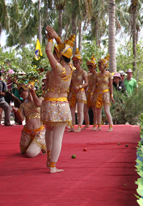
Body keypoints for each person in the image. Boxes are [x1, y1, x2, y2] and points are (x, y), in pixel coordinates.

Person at [41, 26, 74, 173]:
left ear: (60, 56)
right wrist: (56, 37)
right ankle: (53, 166)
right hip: (62, 104)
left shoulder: (56, 69)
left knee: (49, 131)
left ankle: (49, 159)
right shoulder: (71, 69)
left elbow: (48, 51)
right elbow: (61, 50)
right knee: (58, 137)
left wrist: (50, 38)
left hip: (49, 102)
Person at [12, 83, 46, 157]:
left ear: (28, 90)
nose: (20, 95)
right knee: (23, 152)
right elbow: (21, 119)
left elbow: (38, 104)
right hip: (27, 132)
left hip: (38, 132)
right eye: (20, 93)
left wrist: (33, 93)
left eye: (22, 91)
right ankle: (37, 144)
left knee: (30, 154)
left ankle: (42, 142)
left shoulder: (40, 99)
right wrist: (17, 111)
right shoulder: (23, 105)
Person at [91, 55, 114, 132]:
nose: (99, 67)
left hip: (106, 93)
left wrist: (111, 95)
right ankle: (99, 126)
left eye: (100, 65)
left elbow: (111, 85)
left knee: (107, 110)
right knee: (98, 110)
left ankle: (110, 126)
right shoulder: (97, 75)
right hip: (98, 93)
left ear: (104, 65)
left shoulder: (109, 74)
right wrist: (91, 93)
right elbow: (94, 84)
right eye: (98, 65)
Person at [67, 49, 88, 133]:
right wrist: (69, 92)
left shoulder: (83, 72)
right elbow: (70, 83)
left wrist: (79, 86)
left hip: (80, 92)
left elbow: (86, 83)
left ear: (80, 63)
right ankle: (72, 126)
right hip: (72, 92)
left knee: (80, 110)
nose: (75, 64)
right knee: (72, 110)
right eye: (74, 62)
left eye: (77, 63)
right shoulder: (72, 72)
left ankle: (79, 126)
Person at [85, 55, 97, 130]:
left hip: (95, 92)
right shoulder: (88, 75)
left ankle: (95, 124)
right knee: (85, 109)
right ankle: (87, 123)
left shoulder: (97, 75)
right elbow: (86, 84)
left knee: (94, 109)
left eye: (91, 68)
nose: (90, 69)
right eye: (89, 68)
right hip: (88, 92)